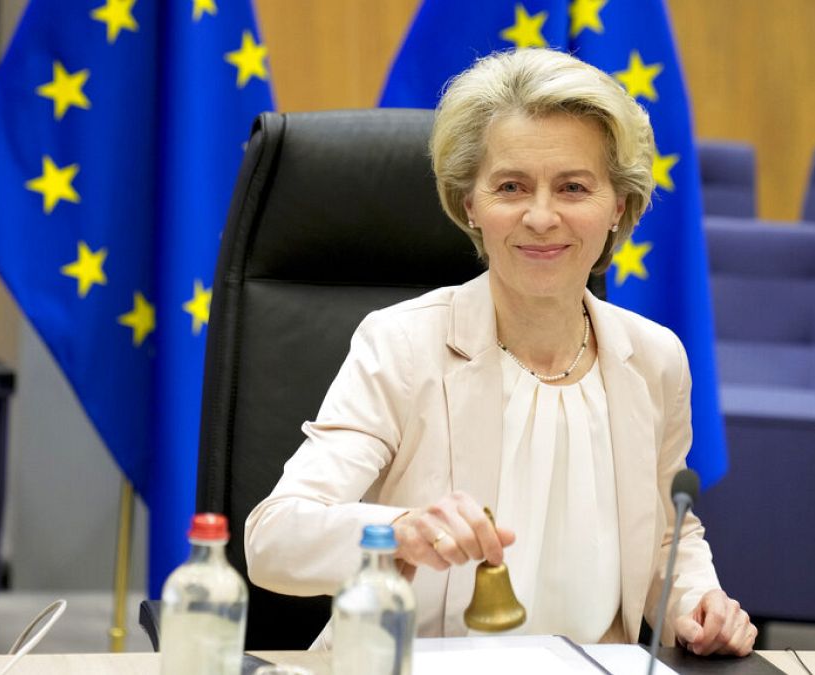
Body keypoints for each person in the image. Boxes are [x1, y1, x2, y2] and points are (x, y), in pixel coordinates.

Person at [244, 48, 755, 656]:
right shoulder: (401, 346)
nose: (541, 216)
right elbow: (272, 538)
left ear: (618, 207)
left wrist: (696, 604)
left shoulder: (654, 358)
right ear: (471, 204)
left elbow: (666, 537)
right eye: (511, 187)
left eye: (573, 187)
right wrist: (399, 532)